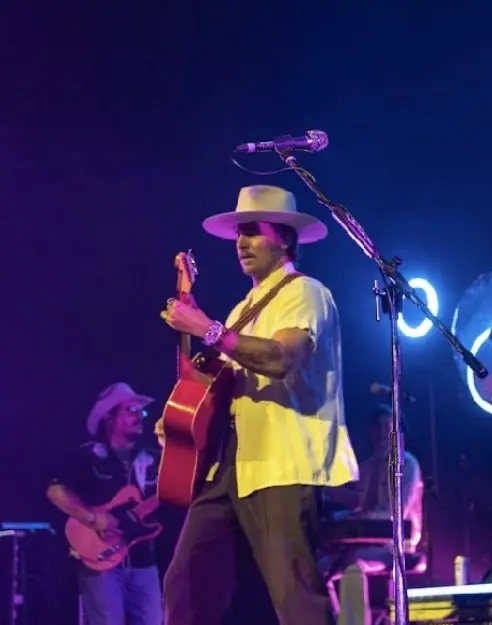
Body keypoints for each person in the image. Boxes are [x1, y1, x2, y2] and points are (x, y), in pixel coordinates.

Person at [158, 184, 359, 625]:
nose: (242, 243)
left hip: (281, 463)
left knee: (295, 596)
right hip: (231, 466)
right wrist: (180, 418)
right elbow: (215, 384)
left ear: (285, 238)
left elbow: (281, 357)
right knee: (186, 584)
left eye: (253, 231)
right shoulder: (241, 310)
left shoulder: (304, 292)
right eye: (238, 234)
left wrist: (208, 328)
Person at [46, 382, 163, 625]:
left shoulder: (153, 458)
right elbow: (56, 491)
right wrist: (92, 518)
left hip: (143, 561)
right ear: (109, 417)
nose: (138, 417)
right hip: (100, 563)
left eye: (140, 412)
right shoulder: (89, 456)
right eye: (130, 410)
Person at [323, 404, 423, 625]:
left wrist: (356, 518)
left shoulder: (407, 465)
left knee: (352, 563)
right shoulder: (366, 467)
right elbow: (360, 504)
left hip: (395, 546)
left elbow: (394, 513)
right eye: (377, 428)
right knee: (317, 569)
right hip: (366, 544)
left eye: (387, 427)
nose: (382, 433)